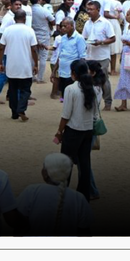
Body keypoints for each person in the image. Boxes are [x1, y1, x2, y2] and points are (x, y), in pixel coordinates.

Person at [54, 59, 100, 201]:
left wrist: (59, 132)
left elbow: (66, 115)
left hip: (73, 131)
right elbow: (95, 113)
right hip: (87, 130)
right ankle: (83, 195)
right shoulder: (93, 88)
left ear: (73, 73)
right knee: (85, 163)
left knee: (66, 163)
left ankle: (63, 193)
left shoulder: (70, 89)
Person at [16, 154, 93, 236]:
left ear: (45, 173)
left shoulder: (31, 191)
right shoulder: (78, 198)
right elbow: (84, 232)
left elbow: (17, 222)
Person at [0, 10, 38, 121]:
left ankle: (14, 113)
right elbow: (34, 49)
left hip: (12, 65)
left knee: (12, 90)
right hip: (25, 65)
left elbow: (2, 47)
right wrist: (36, 64)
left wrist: (0, 63)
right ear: (25, 19)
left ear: (14, 19)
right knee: (25, 90)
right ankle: (21, 108)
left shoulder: (8, 30)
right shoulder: (29, 30)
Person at [80, 1, 114, 110]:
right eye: (88, 9)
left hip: (102, 56)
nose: (89, 12)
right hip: (90, 55)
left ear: (98, 10)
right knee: (89, 80)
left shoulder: (105, 23)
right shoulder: (87, 23)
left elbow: (113, 38)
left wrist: (101, 42)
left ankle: (108, 102)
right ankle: (91, 101)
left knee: (103, 79)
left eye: (91, 9)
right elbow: (84, 38)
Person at [51, 18, 86, 98]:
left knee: (73, 96)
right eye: (61, 26)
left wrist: (80, 74)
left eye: (65, 26)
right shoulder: (63, 38)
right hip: (62, 73)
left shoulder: (79, 38)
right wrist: (54, 71)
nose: (62, 28)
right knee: (64, 96)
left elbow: (82, 58)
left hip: (72, 74)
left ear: (72, 26)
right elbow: (60, 56)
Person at [30, 0, 55, 84]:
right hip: (44, 35)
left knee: (33, 56)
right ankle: (40, 78)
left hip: (33, 35)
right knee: (43, 57)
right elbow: (53, 21)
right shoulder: (43, 10)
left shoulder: (29, 10)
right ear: (39, 0)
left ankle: (33, 76)